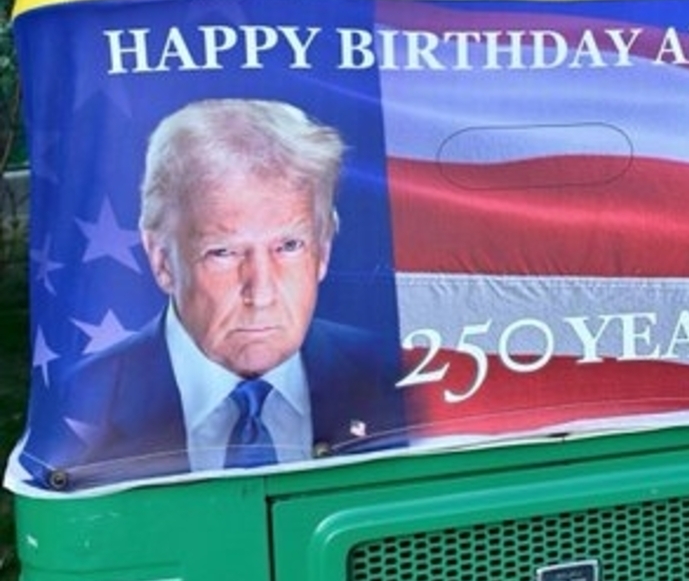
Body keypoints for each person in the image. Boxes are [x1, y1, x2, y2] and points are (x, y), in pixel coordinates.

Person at [20, 99, 407, 490]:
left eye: (289, 246)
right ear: (162, 260)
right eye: (223, 252)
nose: (261, 292)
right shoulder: (82, 400)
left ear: (323, 251)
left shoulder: (400, 377)